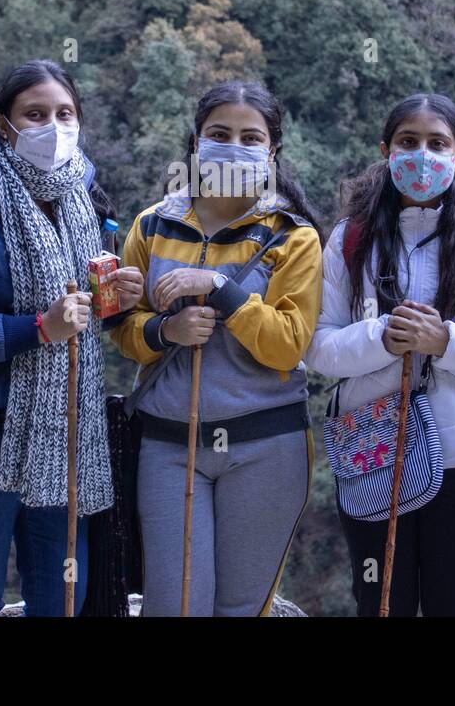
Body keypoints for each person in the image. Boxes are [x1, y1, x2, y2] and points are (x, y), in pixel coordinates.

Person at [305, 93, 455, 616]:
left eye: (438, 144)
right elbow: (318, 347)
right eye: (408, 143)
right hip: (374, 449)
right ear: (385, 151)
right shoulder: (352, 238)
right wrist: (380, 338)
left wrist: (447, 343)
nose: (422, 156)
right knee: (381, 602)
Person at [0, 59, 144, 616]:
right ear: (5, 125)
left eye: (64, 114)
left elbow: (90, 314)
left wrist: (119, 297)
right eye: (35, 114)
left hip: (64, 428)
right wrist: (39, 329)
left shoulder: (85, 199)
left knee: (61, 595)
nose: (52, 126)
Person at [110, 81, 323, 616]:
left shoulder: (292, 236)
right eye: (219, 134)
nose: (233, 145)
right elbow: (124, 330)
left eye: (250, 137)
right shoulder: (153, 224)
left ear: (272, 151)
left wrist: (221, 291)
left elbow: (288, 345)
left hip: (265, 442)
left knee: (241, 608)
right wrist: (165, 333)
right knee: (173, 604)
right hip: (167, 441)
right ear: (197, 141)